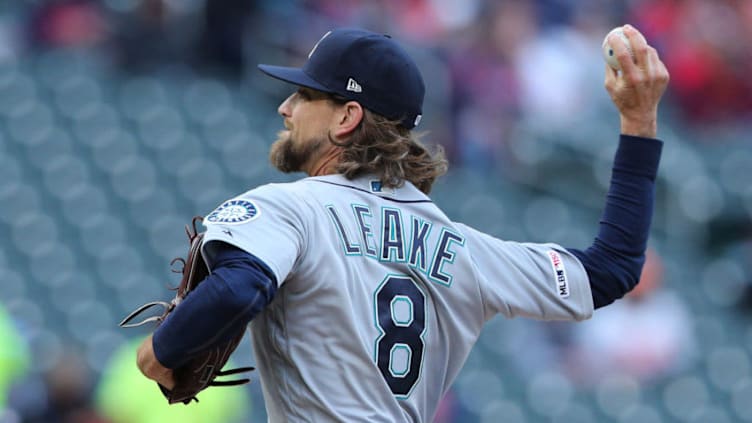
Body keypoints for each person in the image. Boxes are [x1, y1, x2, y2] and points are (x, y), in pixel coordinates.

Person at [135, 25, 669, 421]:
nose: (286, 107)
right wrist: (638, 122)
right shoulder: (464, 248)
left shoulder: (292, 208)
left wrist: (160, 352)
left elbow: (237, 289)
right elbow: (612, 269)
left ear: (347, 118)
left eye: (305, 94)